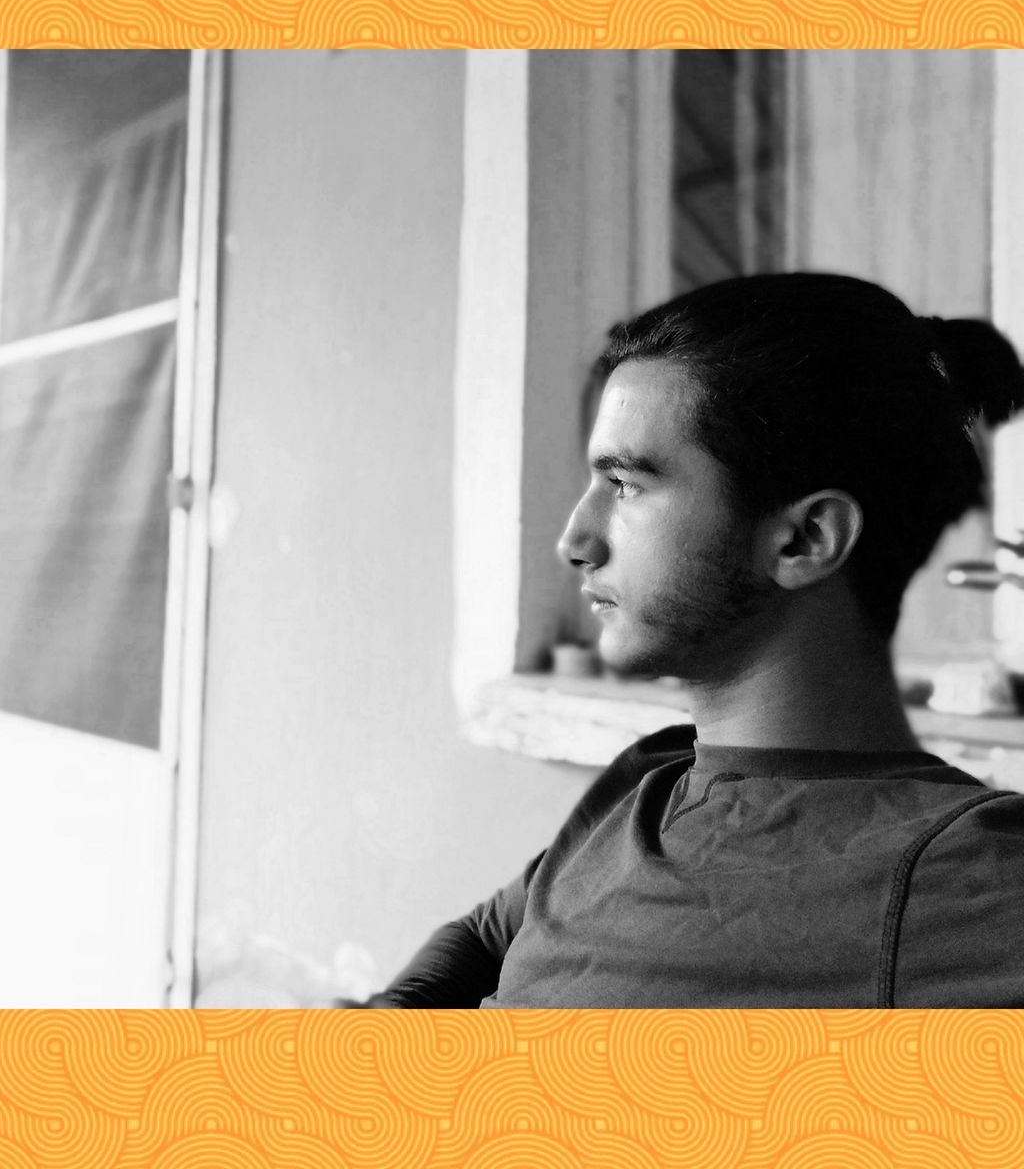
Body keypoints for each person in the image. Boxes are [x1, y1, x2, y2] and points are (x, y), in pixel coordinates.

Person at [370, 273, 1024, 1008]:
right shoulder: (648, 777)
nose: (575, 541)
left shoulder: (960, 874)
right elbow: (490, 937)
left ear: (806, 538)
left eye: (626, 485)